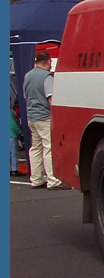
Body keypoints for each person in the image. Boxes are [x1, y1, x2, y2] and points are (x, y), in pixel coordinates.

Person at [22, 51, 70, 190]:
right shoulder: (47, 77)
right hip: (44, 117)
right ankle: (53, 180)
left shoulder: (28, 75)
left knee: (35, 148)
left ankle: (36, 179)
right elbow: (51, 98)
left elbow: (26, 96)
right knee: (49, 147)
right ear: (49, 61)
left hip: (31, 117)